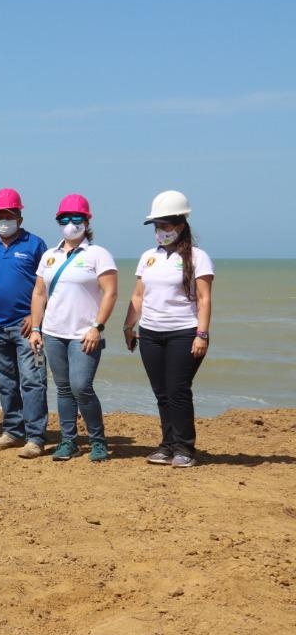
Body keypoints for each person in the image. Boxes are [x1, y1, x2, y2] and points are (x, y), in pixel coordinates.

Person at [122, 190, 214, 468]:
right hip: (150, 333)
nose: (160, 231)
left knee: (178, 390)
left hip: (184, 332)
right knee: (162, 392)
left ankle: (185, 448)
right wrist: (128, 325)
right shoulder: (148, 257)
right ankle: (167, 445)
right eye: (157, 226)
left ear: (180, 225)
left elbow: (204, 298)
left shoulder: (198, 257)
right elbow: (138, 295)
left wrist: (202, 334)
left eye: (165, 225)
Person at [28, 194, 118, 463]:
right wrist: (36, 328)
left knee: (82, 386)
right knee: (64, 388)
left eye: (76, 217)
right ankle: (68, 441)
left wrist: (97, 326)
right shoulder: (49, 256)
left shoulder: (98, 254)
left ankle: (98, 440)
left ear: (87, 221)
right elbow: (39, 294)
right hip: (53, 333)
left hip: (85, 334)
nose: (70, 223)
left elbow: (110, 292)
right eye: (64, 218)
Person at [0, 188, 48, 456]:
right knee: (6, 383)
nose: (4, 220)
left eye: (9, 215)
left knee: (32, 381)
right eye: (0, 216)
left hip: (26, 327)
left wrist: (35, 317)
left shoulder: (35, 245)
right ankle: (13, 431)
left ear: (20, 217)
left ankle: (35, 437)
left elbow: (46, 286)